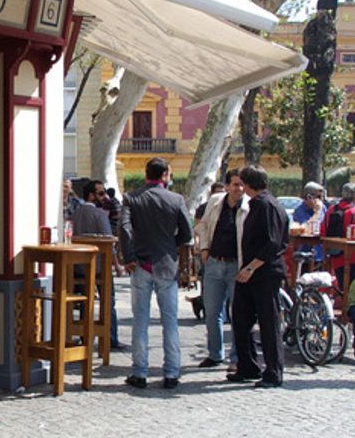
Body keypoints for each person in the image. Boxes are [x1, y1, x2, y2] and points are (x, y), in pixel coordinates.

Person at [118, 157, 193, 389]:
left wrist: (129, 257)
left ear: (145, 174)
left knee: (140, 320)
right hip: (166, 264)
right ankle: (171, 373)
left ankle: (139, 372)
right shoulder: (176, 199)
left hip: (141, 264)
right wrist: (171, 245)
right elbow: (187, 232)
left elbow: (123, 227)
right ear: (165, 176)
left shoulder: (132, 198)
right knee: (170, 321)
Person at [229, 164, 289, 388]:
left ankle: (273, 372)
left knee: (268, 322)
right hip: (251, 272)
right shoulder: (257, 204)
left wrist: (251, 267)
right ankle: (248, 366)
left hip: (264, 272)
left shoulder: (267, 206)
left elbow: (272, 243)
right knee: (241, 318)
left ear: (246, 184)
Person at [193, 170, 248, 368]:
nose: (239, 189)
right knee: (212, 311)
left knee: (237, 313)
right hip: (214, 262)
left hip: (236, 265)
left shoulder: (248, 206)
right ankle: (215, 354)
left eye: (242, 185)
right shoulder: (216, 201)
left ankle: (236, 357)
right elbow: (204, 225)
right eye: (235, 184)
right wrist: (205, 249)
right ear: (227, 186)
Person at [71, 180, 120, 348]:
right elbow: (109, 242)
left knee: (86, 301)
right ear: (91, 195)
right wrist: (118, 265)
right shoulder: (99, 214)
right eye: (100, 193)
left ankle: (86, 338)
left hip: (78, 266)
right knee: (109, 301)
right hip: (100, 266)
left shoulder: (75, 214)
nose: (105, 197)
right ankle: (110, 339)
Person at [321, 182, 355, 287]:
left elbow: (323, 232)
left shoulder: (331, 211)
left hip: (335, 258)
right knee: (354, 292)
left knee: (341, 289)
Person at [292, 181, 326, 267]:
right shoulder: (299, 211)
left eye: (322, 197)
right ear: (309, 197)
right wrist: (317, 213)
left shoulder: (323, 208)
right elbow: (306, 229)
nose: (321, 200)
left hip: (321, 254)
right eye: (318, 197)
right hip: (305, 255)